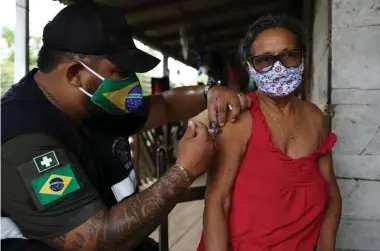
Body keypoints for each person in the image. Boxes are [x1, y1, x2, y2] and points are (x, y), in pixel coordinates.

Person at [1, 3, 251, 251]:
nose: (129, 83)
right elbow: (96, 241)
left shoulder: (97, 103)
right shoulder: (22, 134)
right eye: (120, 72)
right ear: (75, 73)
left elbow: (165, 105)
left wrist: (210, 91)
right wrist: (183, 172)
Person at [197, 15, 342, 251]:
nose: (279, 67)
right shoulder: (240, 120)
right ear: (250, 68)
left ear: (302, 57)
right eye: (265, 60)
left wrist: (326, 246)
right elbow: (217, 201)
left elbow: (333, 196)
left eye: (289, 55)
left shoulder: (315, 118)